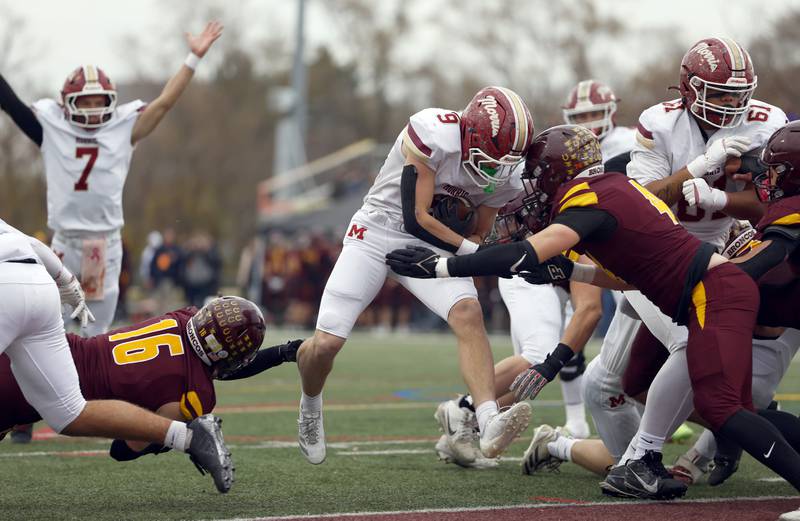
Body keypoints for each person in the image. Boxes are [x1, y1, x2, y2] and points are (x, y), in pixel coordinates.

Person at [385, 124, 800, 501]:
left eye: (534, 178)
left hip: (714, 291)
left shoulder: (588, 199)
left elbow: (523, 253)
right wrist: (573, 269)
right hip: (708, 290)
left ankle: (646, 460)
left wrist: (442, 265)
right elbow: (628, 278)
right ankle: (642, 462)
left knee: (724, 409)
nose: (530, 189)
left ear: (552, 174)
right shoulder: (613, 189)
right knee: (717, 400)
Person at [295, 86, 535, 465]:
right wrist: (476, 255)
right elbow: (417, 216)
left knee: (469, 314)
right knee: (325, 345)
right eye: (491, 156)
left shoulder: (505, 172)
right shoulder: (435, 132)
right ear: (469, 133)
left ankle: (488, 419)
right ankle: (310, 404)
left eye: (506, 160)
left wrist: (471, 249)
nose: (497, 169)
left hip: (438, 243)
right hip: (379, 230)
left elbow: (476, 232)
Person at [603, 36, 792, 489]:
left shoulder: (768, 123)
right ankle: (635, 456)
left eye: (739, 95)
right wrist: (698, 166)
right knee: (614, 380)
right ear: (688, 89)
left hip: (720, 249)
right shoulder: (658, 124)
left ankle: (642, 459)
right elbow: (640, 205)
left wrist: (722, 196)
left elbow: (771, 206)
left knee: (704, 352)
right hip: (654, 251)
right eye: (720, 94)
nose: (732, 105)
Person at [0, 21, 223, 336]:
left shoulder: (122, 129)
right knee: (48, 324)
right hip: (63, 242)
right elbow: (10, 103)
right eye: (85, 102)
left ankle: (90, 386)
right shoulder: (52, 127)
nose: (92, 110)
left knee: (94, 330)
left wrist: (193, 59)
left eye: (98, 102)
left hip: (99, 247)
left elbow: (164, 104)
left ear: (110, 101)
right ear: (68, 103)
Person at [0, 219, 234, 492]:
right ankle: (189, 438)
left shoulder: (188, 348)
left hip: (8, 285)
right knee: (70, 413)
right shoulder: (190, 345)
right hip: (40, 286)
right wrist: (68, 283)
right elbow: (32, 244)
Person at [0, 295, 299, 462]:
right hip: (43, 390)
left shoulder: (183, 317)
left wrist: (283, 353)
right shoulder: (197, 391)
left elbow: (212, 363)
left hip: (50, 345)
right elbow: (122, 451)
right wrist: (166, 440)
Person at [434, 193, 601, 468]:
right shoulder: (596, 235)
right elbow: (590, 310)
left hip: (547, 279)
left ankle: (463, 428)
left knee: (526, 380)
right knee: (539, 359)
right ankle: (461, 410)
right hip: (532, 274)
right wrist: (555, 361)